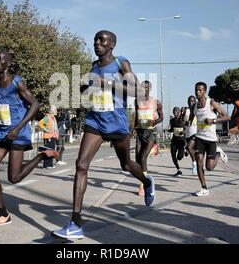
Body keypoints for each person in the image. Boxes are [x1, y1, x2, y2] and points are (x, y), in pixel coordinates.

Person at [52, 30, 156, 240]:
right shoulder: (93, 66)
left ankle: (146, 181)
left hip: (116, 120)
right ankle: (75, 223)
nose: (97, 43)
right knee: (81, 165)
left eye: (102, 40)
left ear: (112, 45)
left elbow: (137, 90)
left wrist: (106, 83)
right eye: (95, 40)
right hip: (95, 120)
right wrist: (83, 86)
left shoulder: (121, 63)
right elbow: (88, 90)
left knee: (126, 164)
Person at [0, 50, 59, 228]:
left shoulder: (17, 82)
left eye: (1, 59)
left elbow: (35, 104)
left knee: (14, 178)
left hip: (18, 131)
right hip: (2, 132)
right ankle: (3, 215)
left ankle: (41, 156)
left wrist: (18, 128)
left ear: (8, 64)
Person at [188, 82, 230, 197]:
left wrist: (213, 121)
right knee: (199, 163)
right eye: (196, 90)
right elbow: (192, 116)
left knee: (209, 167)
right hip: (199, 138)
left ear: (204, 91)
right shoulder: (194, 106)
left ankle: (218, 153)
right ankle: (204, 188)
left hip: (211, 139)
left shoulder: (211, 103)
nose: (198, 92)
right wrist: (188, 122)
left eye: (200, 90)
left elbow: (227, 117)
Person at [134, 80, 163, 195]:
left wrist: (154, 122)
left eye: (146, 88)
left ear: (149, 89)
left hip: (150, 133)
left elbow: (162, 117)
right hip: (140, 132)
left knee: (143, 159)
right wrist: (133, 128)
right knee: (137, 160)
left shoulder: (156, 102)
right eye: (142, 88)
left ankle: (142, 185)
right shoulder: (137, 101)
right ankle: (153, 149)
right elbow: (136, 116)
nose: (143, 90)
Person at [168, 107, 186, 177]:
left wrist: (183, 132)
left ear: (178, 112)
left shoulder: (182, 119)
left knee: (179, 157)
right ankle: (178, 170)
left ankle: (184, 150)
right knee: (173, 155)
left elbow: (186, 128)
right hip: (174, 140)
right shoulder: (172, 120)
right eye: (173, 111)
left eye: (176, 111)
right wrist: (167, 130)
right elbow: (172, 130)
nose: (174, 112)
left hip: (181, 140)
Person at [184, 96, 198, 175]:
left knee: (189, 147)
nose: (191, 103)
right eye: (189, 101)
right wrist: (185, 123)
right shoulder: (186, 111)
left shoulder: (197, 110)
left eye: (192, 101)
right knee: (194, 152)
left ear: (195, 102)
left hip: (196, 133)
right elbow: (184, 122)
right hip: (188, 134)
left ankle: (194, 164)